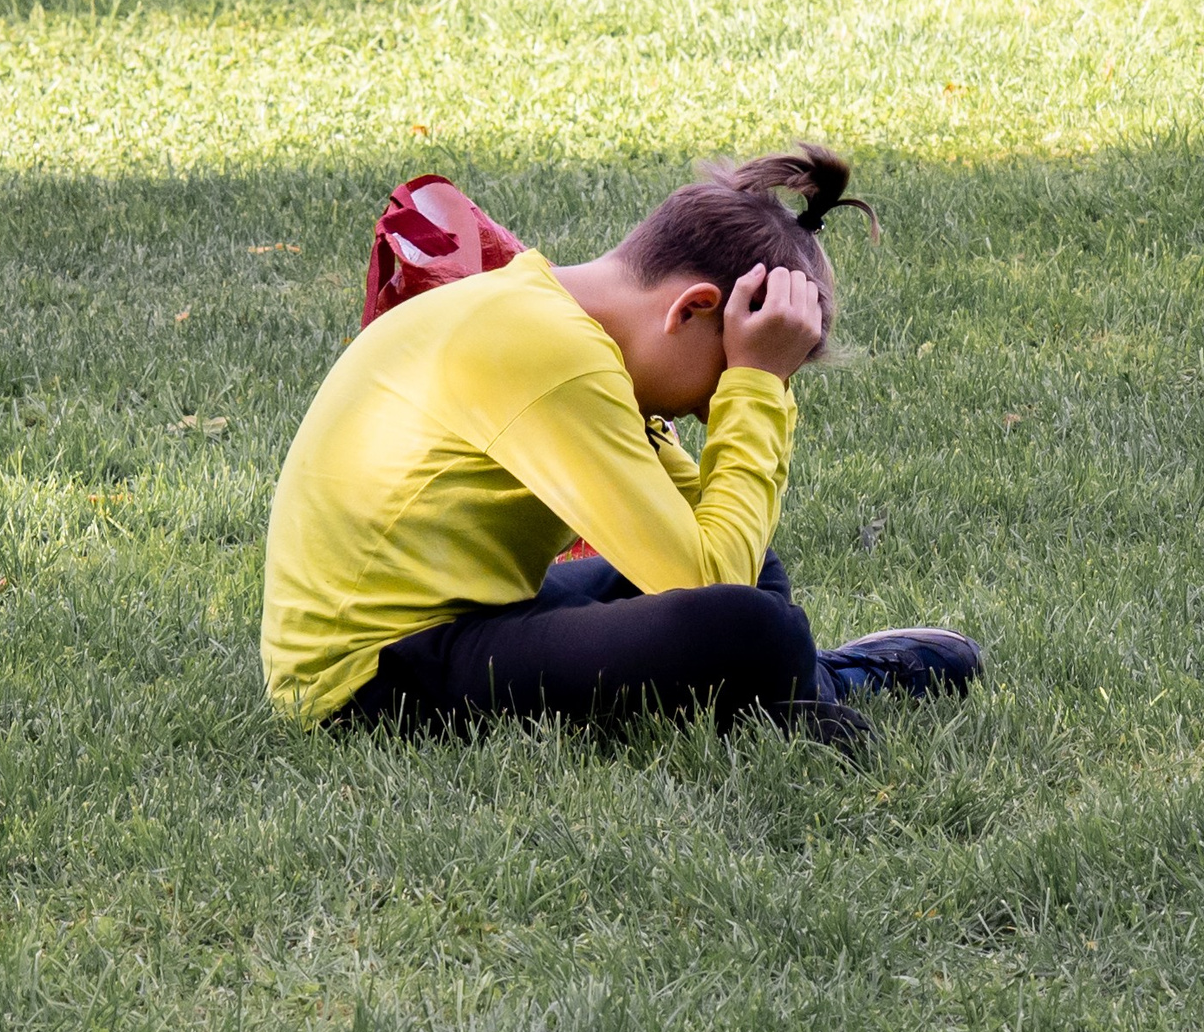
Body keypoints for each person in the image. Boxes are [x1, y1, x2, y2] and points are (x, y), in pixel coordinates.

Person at [259, 145, 978, 750]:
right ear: (693, 309)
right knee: (741, 619)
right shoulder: (550, 350)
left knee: (752, 576)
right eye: (718, 383)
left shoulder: (548, 318)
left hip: (467, 616)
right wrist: (757, 387)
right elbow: (702, 578)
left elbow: (714, 541)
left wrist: (751, 381)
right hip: (367, 683)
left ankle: (791, 686)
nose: (706, 409)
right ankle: (804, 684)